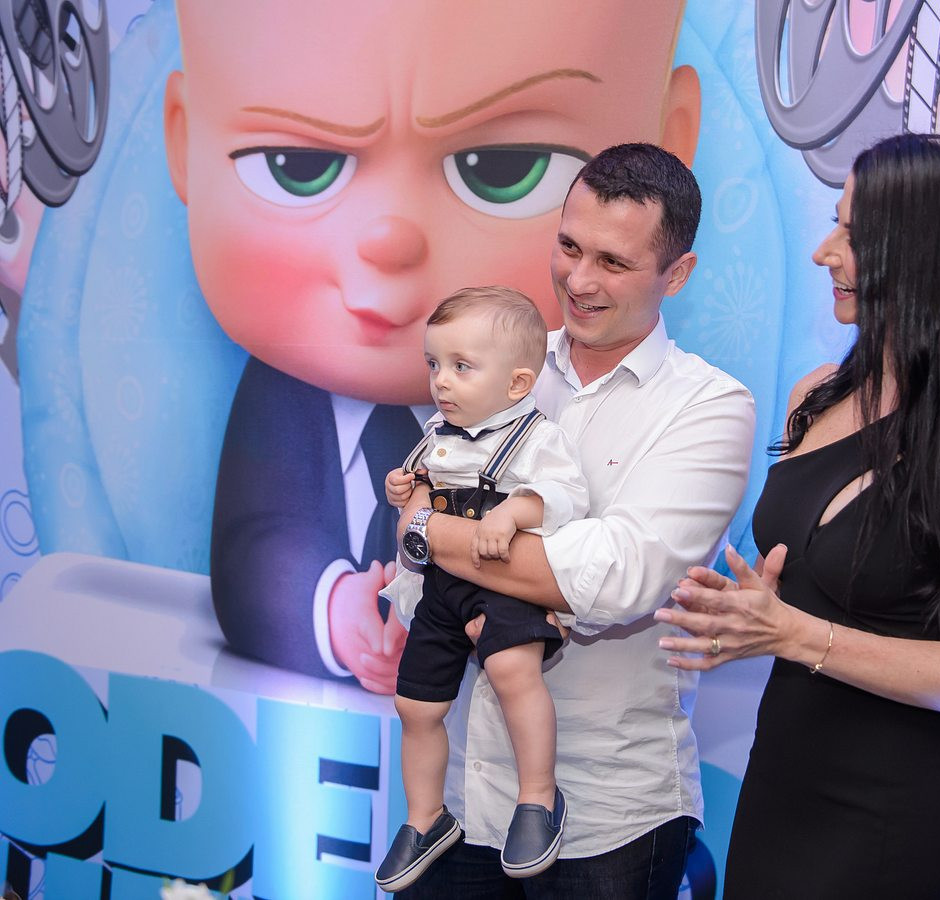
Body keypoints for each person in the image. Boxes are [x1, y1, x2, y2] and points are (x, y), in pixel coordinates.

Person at [162, 0, 699, 691]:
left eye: (502, 168)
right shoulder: (281, 397)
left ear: (666, 146)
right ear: (184, 143)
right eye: (297, 165)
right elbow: (256, 543)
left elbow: (591, 548)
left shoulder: (570, 401)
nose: (389, 240)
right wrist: (335, 609)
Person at [654, 133, 940, 898]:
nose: (823, 252)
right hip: (783, 780)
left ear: (930, 253)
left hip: (901, 813)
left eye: (855, 234)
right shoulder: (816, 395)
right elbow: (809, 588)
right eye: (835, 223)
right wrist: (746, 615)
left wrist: (792, 633)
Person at [390, 142, 755, 897]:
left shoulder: (707, 406)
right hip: (459, 799)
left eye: (613, 262)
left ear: (677, 274)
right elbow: (411, 560)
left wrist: (436, 534)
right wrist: (450, 544)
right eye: (568, 247)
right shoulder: (490, 364)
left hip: (607, 814)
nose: (579, 280)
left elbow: (612, 576)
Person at [374, 287, 589, 890]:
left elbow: (568, 497)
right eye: (434, 364)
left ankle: (538, 799)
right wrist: (401, 488)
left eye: (461, 367)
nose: (441, 381)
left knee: (513, 674)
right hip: (443, 585)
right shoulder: (438, 433)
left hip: (504, 586)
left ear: (518, 383)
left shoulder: (536, 438)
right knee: (414, 705)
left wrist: (514, 511)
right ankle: (426, 817)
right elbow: (420, 495)